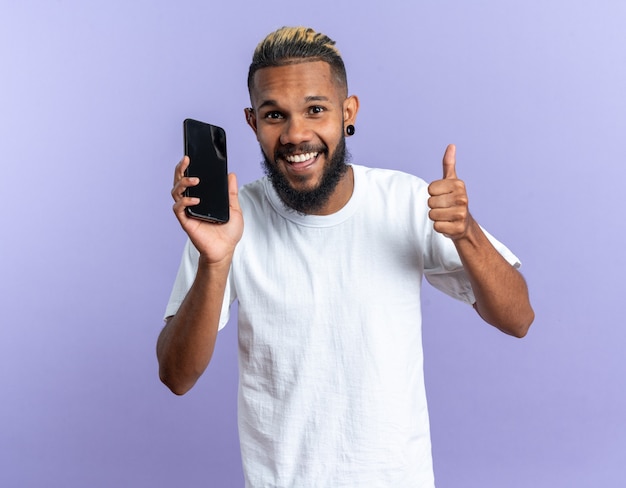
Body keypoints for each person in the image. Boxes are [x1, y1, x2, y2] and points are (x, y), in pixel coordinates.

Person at [158, 26, 534, 488]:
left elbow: (518, 319)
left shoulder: (407, 201)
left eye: (315, 110)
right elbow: (176, 376)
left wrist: (468, 233)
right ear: (253, 123)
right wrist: (215, 262)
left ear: (347, 111)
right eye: (274, 115)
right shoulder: (230, 222)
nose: (297, 134)